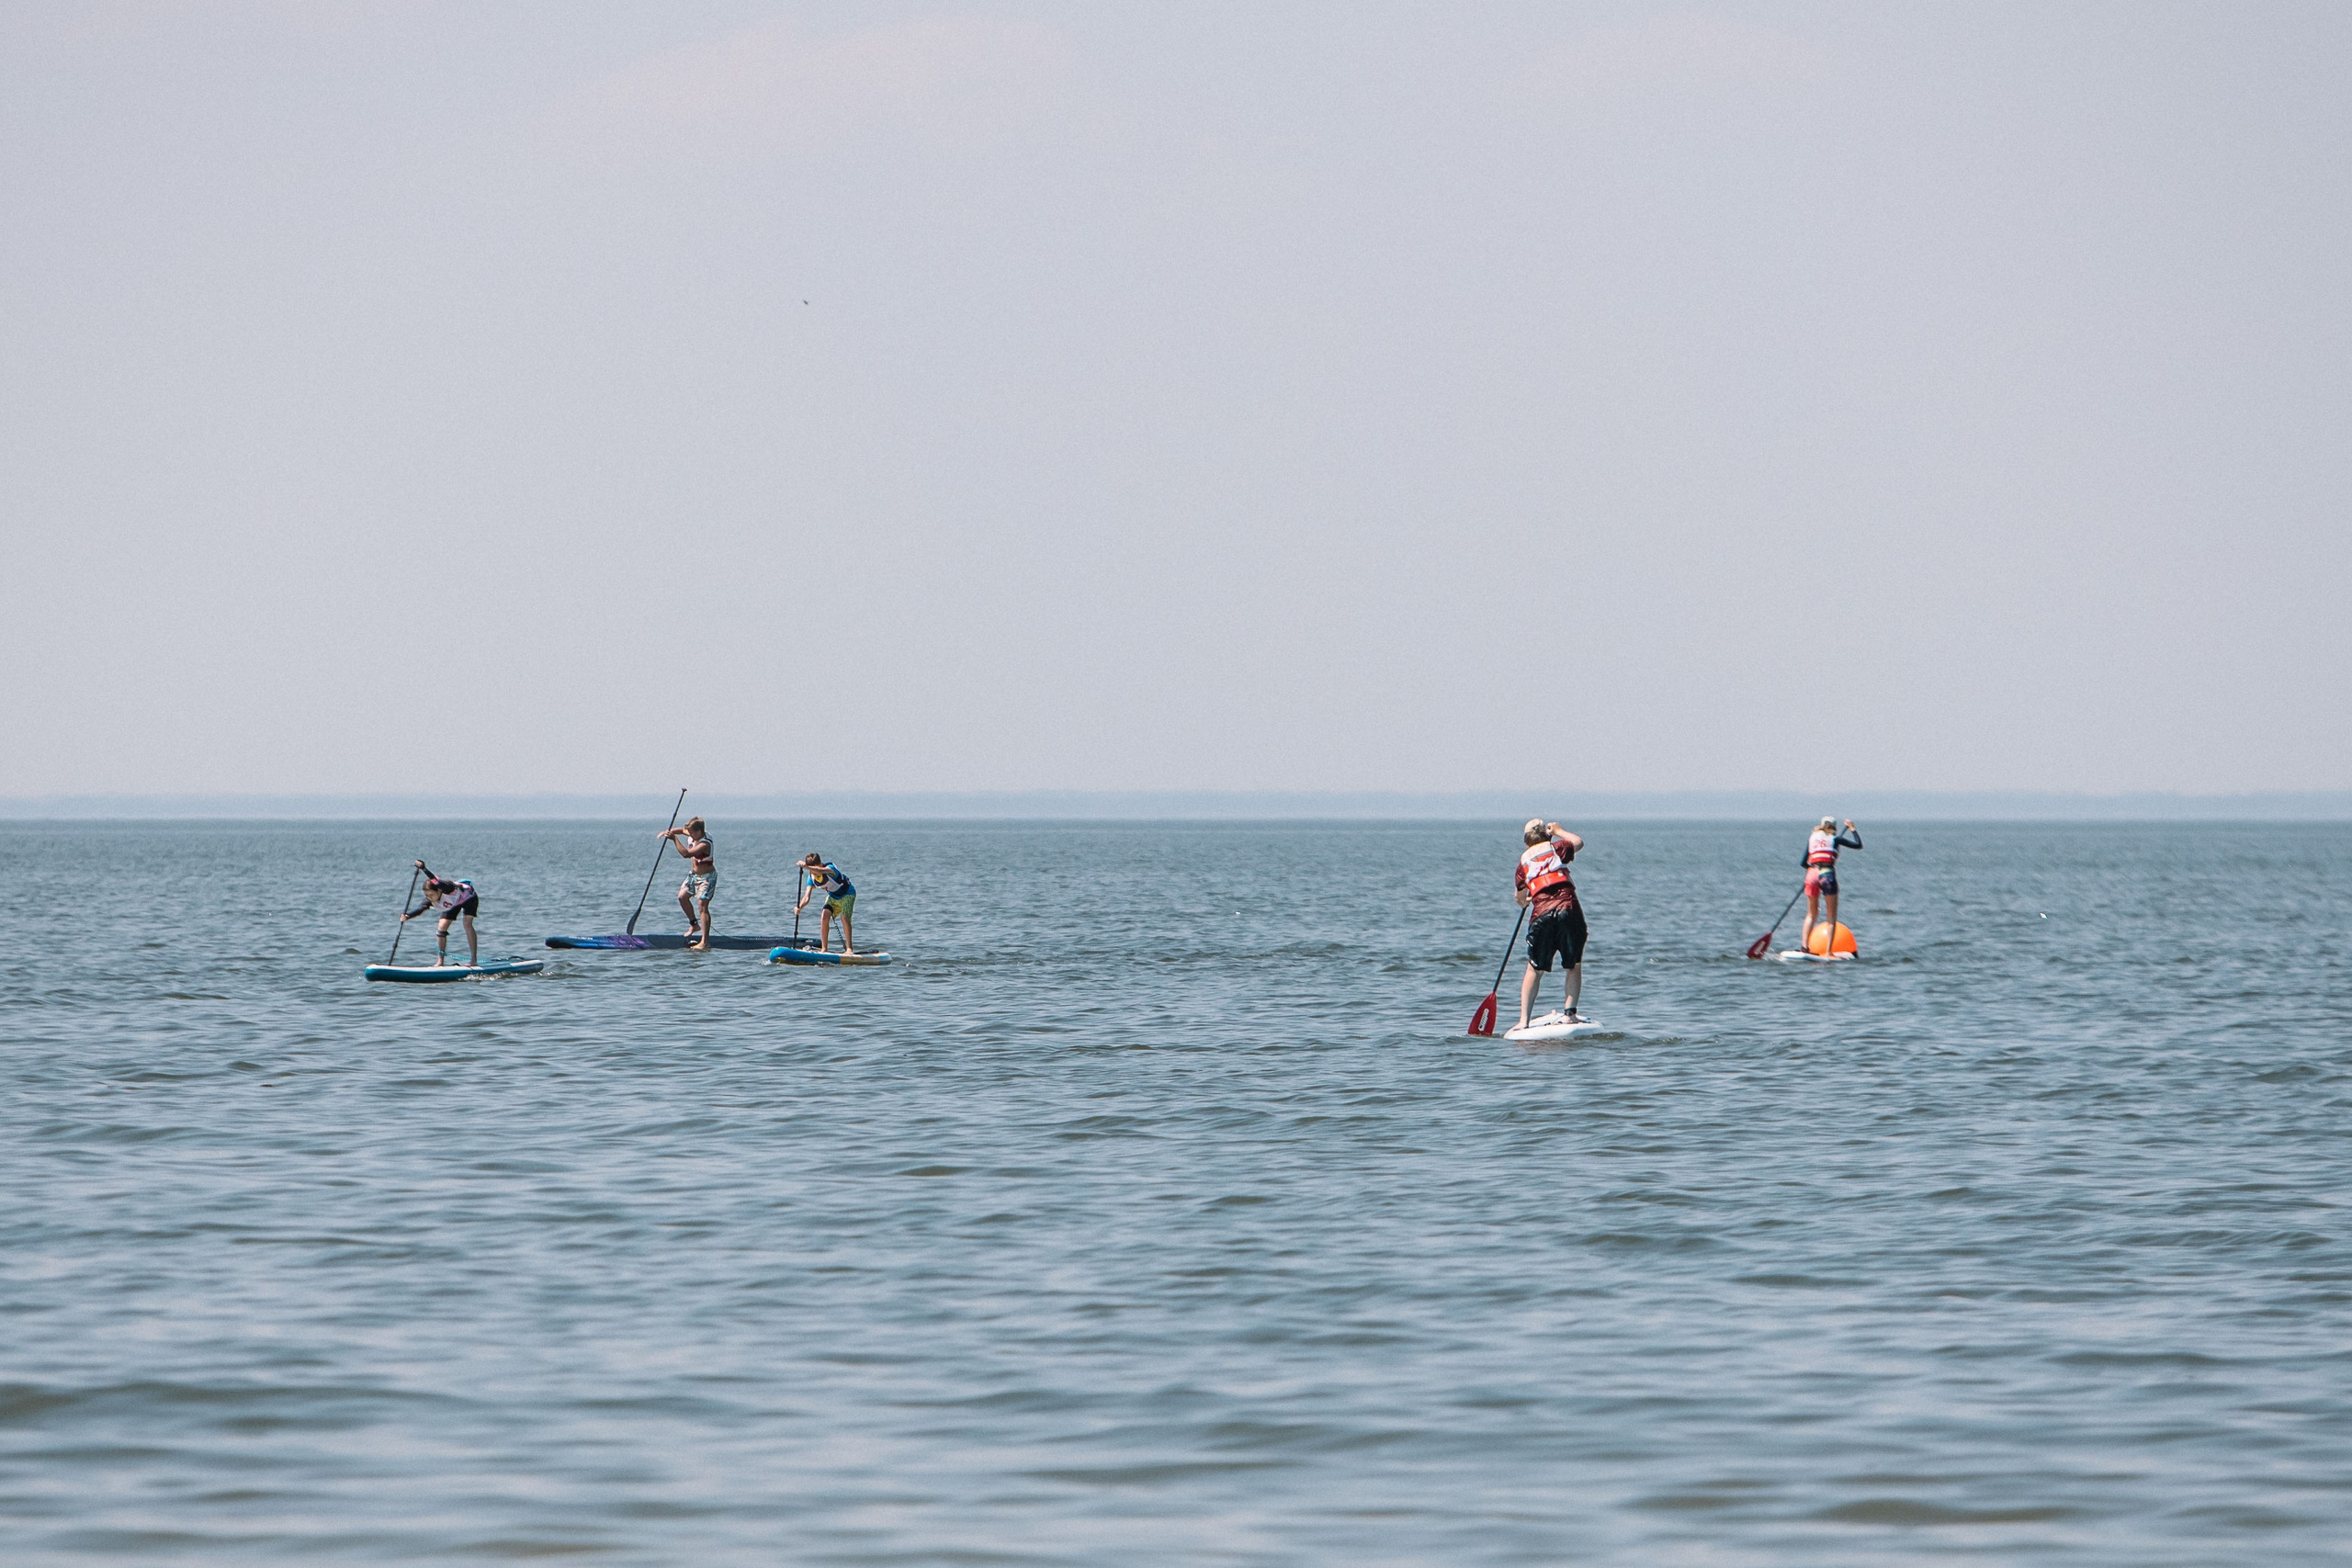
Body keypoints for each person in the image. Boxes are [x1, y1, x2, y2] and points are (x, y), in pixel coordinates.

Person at [1514, 818, 1587, 1030]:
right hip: (1568, 910)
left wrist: (1527, 899)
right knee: (1573, 965)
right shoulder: (1557, 848)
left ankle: (1523, 1021)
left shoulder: (1523, 864)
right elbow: (1578, 842)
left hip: (1541, 916)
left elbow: (1519, 898)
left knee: (1534, 969)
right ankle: (1570, 1014)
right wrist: (1559, 830)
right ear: (1547, 836)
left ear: (1527, 841)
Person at [1801, 817, 1864, 948]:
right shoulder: (1835, 839)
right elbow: (1858, 845)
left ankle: (1804, 947)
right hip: (1827, 874)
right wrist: (1852, 828)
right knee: (1831, 916)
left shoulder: (1812, 838)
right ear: (1834, 828)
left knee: (1811, 914)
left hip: (1812, 874)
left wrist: (1813, 870)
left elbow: (1803, 863)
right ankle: (1829, 952)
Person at [401, 860, 480, 966]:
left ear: (439, 891)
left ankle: (473, 960)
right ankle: (440, 962)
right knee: (441, 929)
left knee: (467, 924)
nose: (430, 898)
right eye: (427, 895)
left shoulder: (446, 887)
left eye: (432, 895)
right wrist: (408, 916)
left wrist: (424, 868)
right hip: (453, 904)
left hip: (468, 898)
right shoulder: (430, 899)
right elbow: (421, 909)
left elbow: (434, 880)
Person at [661, 817, 718, 950]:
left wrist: (674, 839)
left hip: (707, 877)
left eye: (692, 832)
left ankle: (705, 941)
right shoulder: (692, 833)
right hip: (694, 875)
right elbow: (681, 830)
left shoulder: (705, 844)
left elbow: (686, 854)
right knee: (682, 897)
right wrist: (668, 832)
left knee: (702, 905)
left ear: (699, 831)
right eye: (689, 832)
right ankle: (694, 924)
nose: (689, 834)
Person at [797, 853, 857, 954]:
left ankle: (849, 949)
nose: (815, 873)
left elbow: (820, 871)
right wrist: (799, 907)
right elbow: (807, 897)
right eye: (812, 871)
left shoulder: (830, 869)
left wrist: (806, 867)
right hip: (833, 896)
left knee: (844, 917)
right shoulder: (811, 878)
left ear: (820, 864)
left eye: (815, 868)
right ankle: (824, 949)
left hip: (847, 894)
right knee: (824, 916)